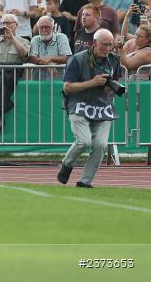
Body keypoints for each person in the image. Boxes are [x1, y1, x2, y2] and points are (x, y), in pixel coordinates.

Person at [57, 29, 123, 188]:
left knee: (100, 144)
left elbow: (115, 81)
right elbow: (67, 87)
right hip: (79, 105)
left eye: (110, 45)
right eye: (104, 44)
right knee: (84, 141)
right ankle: (67, 164)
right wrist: (92, 83)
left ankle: (85, 181)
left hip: (102, 107)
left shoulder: (113, 60)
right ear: (94, 43)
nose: (108, 48)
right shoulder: (78, 59)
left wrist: (110, 88)